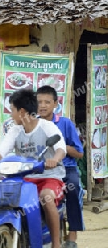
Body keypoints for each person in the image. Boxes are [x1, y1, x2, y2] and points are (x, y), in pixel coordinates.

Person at [0, 89, 66, 248]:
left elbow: (61, 148)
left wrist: (54, 159)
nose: (11, 114)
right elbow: (0, 151)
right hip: (24, 179)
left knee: (47, 197)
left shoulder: (47, 126)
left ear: (22, 111)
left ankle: (56, 243)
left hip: (49, 177)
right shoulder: (15, 130)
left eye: (12, 110)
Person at [37, 85, 84, 248]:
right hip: (42, 170)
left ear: (55, 104)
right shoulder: (32, 124)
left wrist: (61, 147)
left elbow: (79, 153)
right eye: (39, 102)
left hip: (67, 168)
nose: (42, 106)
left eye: (47, 102)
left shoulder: (65, 123)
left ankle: (72, 237)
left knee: (73, 188)